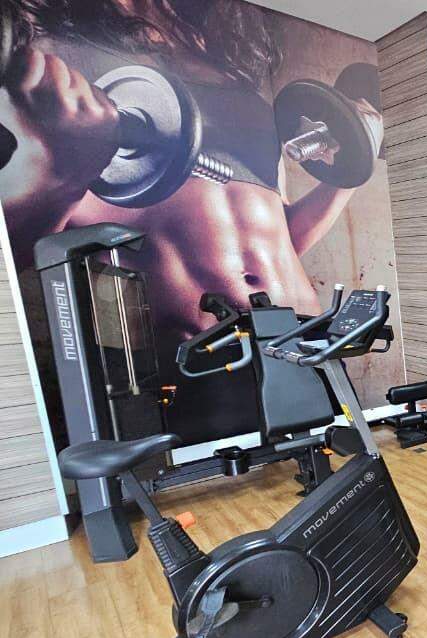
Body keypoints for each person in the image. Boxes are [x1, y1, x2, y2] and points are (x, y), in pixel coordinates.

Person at [0, 0, 383, 441]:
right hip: (206, 352)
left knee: (345, 464)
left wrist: (351, 171)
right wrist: (58, 174)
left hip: (304, 335)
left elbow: (281, 237)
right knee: (249, 486)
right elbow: (17, 251)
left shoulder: (214, 52)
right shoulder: (44, 51)